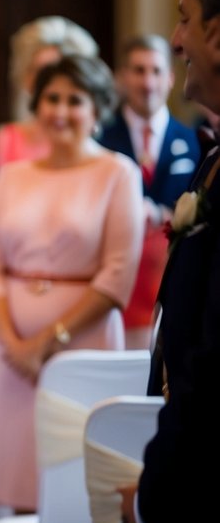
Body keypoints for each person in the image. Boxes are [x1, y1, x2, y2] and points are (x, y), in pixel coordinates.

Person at [0, 55, 143, 512]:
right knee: (17, 481)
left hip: (83, 349)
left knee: (74, 485)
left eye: (75, 100)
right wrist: (12, 342)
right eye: (51, 98)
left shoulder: (117, 173)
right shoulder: (12, 175)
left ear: (98, 109)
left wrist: (49, 341)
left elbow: (116, 274)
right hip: (10, 359)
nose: (60, 111)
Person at [120, 0, 220, 523]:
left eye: (185, 20)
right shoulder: (212, 160)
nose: (176, 38)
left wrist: (158, 501)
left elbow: (210, 371)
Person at [97, 35, 200, 349]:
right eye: (138, 71)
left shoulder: (195, 141)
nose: (147, 82)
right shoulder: (101, 140)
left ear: (170, 78)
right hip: (113, 288)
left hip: (168, 286)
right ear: (122, 77)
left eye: (156, 71)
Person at [0, 16, 98, 165]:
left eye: (59, 74)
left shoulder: (98, 151)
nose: (51, 85)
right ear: (26, 77)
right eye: (41, 73)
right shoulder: (6, 139)